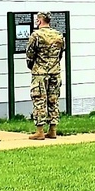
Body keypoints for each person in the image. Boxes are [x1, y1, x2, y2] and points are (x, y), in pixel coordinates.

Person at [26, 12, 65, 140]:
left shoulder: (36, 35)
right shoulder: (59, 35)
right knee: (53, 100)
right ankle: (53, 129)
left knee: (39, 100)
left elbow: (30, 54)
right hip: (55, 71)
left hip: (40, 72)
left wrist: (33, 66)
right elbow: (60, 54)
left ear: (39, 21)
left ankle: (40, 131)